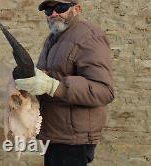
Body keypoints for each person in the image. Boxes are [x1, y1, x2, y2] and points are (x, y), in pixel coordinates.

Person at [15, 0, 114, 166]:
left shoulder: (89, 37)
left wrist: (53, 86)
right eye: (48, 10)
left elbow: (104, 90)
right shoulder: (52, 39)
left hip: (73, 141)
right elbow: (47, 76)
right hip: (53, 134)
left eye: (60, 8)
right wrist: (31, 82)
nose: (53, 14)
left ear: (76, 9)